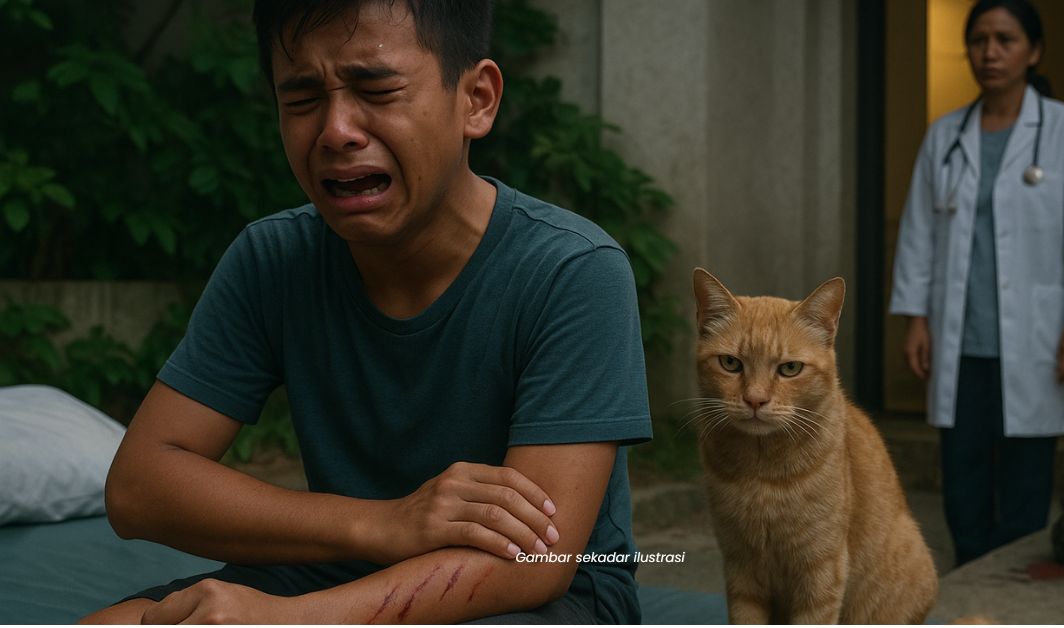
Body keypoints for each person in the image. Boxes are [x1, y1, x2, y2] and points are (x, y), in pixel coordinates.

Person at [81, 0, 651, 623]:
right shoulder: (274, 258)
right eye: (301, 99)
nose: (335, 131)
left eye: (376, 89)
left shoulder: (573, 269)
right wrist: (383, 524)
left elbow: (533, 562)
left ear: (477, 100)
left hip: (538, 595)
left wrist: (288, 619)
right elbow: (140, 488)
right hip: (338, 569)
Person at [889, 0, 1064, 567]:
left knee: (1025, 473)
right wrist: (917, 317)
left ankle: (1012, 584)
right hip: (960, 339)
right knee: (961, 477)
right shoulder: (947, 135)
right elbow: (919, 231)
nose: (990, 52)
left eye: (1006, 39)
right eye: (980, 39)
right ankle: (970, 575)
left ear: (1033, 51)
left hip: (1037, 337)